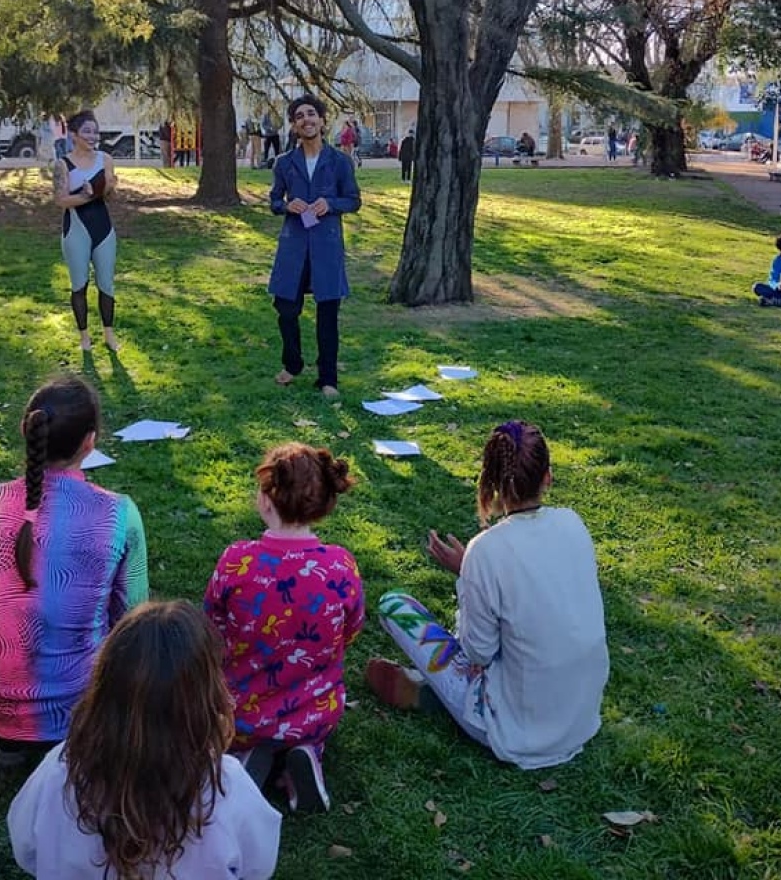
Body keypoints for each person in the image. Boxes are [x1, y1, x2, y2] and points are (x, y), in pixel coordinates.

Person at [366, 419, 609, 771]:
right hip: (580, 721)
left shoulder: (486, 552)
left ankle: (443, 698)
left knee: (394, 606)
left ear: (490, 483)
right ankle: (432, 694)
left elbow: (477, 652)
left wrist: (468, 575)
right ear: (548, 477)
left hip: (513, 733)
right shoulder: (573, 523)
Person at [7, 599, 281, 880]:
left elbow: (26, 850)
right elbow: (258, 865)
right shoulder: (227, 784)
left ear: (104, 687)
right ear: (206, 698)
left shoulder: (59, 770)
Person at [0, 376, 148, 767]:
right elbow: (134, 617)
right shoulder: (119, 513)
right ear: (89, 442)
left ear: (25, 430)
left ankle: (10, 745)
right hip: (78, 708)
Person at [204, 443, 364, 812]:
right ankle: (306, 754)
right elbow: (351, 631)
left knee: (237, 727)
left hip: (239, 712)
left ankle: (247, 760)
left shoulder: (237, 561)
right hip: (316, 712)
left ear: (264, 498)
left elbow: (210, 626)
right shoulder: (340, 566)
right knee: (308, 731)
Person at [269, 94, 361, 398]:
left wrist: (330, 203)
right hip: (293, 245)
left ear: (322, 120)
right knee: (285, 309)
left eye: (311, 114)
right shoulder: (284, 163)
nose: (305, 119)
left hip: (326, 246)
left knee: (327, 313)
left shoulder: (340, 161)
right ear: (295, 126)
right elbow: (273, 201)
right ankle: (292, 364)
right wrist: (286, 206)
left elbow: (353, 200)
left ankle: (328, 378)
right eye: (299, 116)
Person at [53, 109, 118, 351]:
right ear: (74, 135)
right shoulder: (63, 164)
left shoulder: (106, 159)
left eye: (95, 132)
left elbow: (110, 196)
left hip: (103, 229)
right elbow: (60, 200)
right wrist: (85, 194)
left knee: (106, 284)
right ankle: (84, 337)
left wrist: (109, 187)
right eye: (87, 132)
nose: (92, 136)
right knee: (79, 284)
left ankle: (109, 334)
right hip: (75, 231)